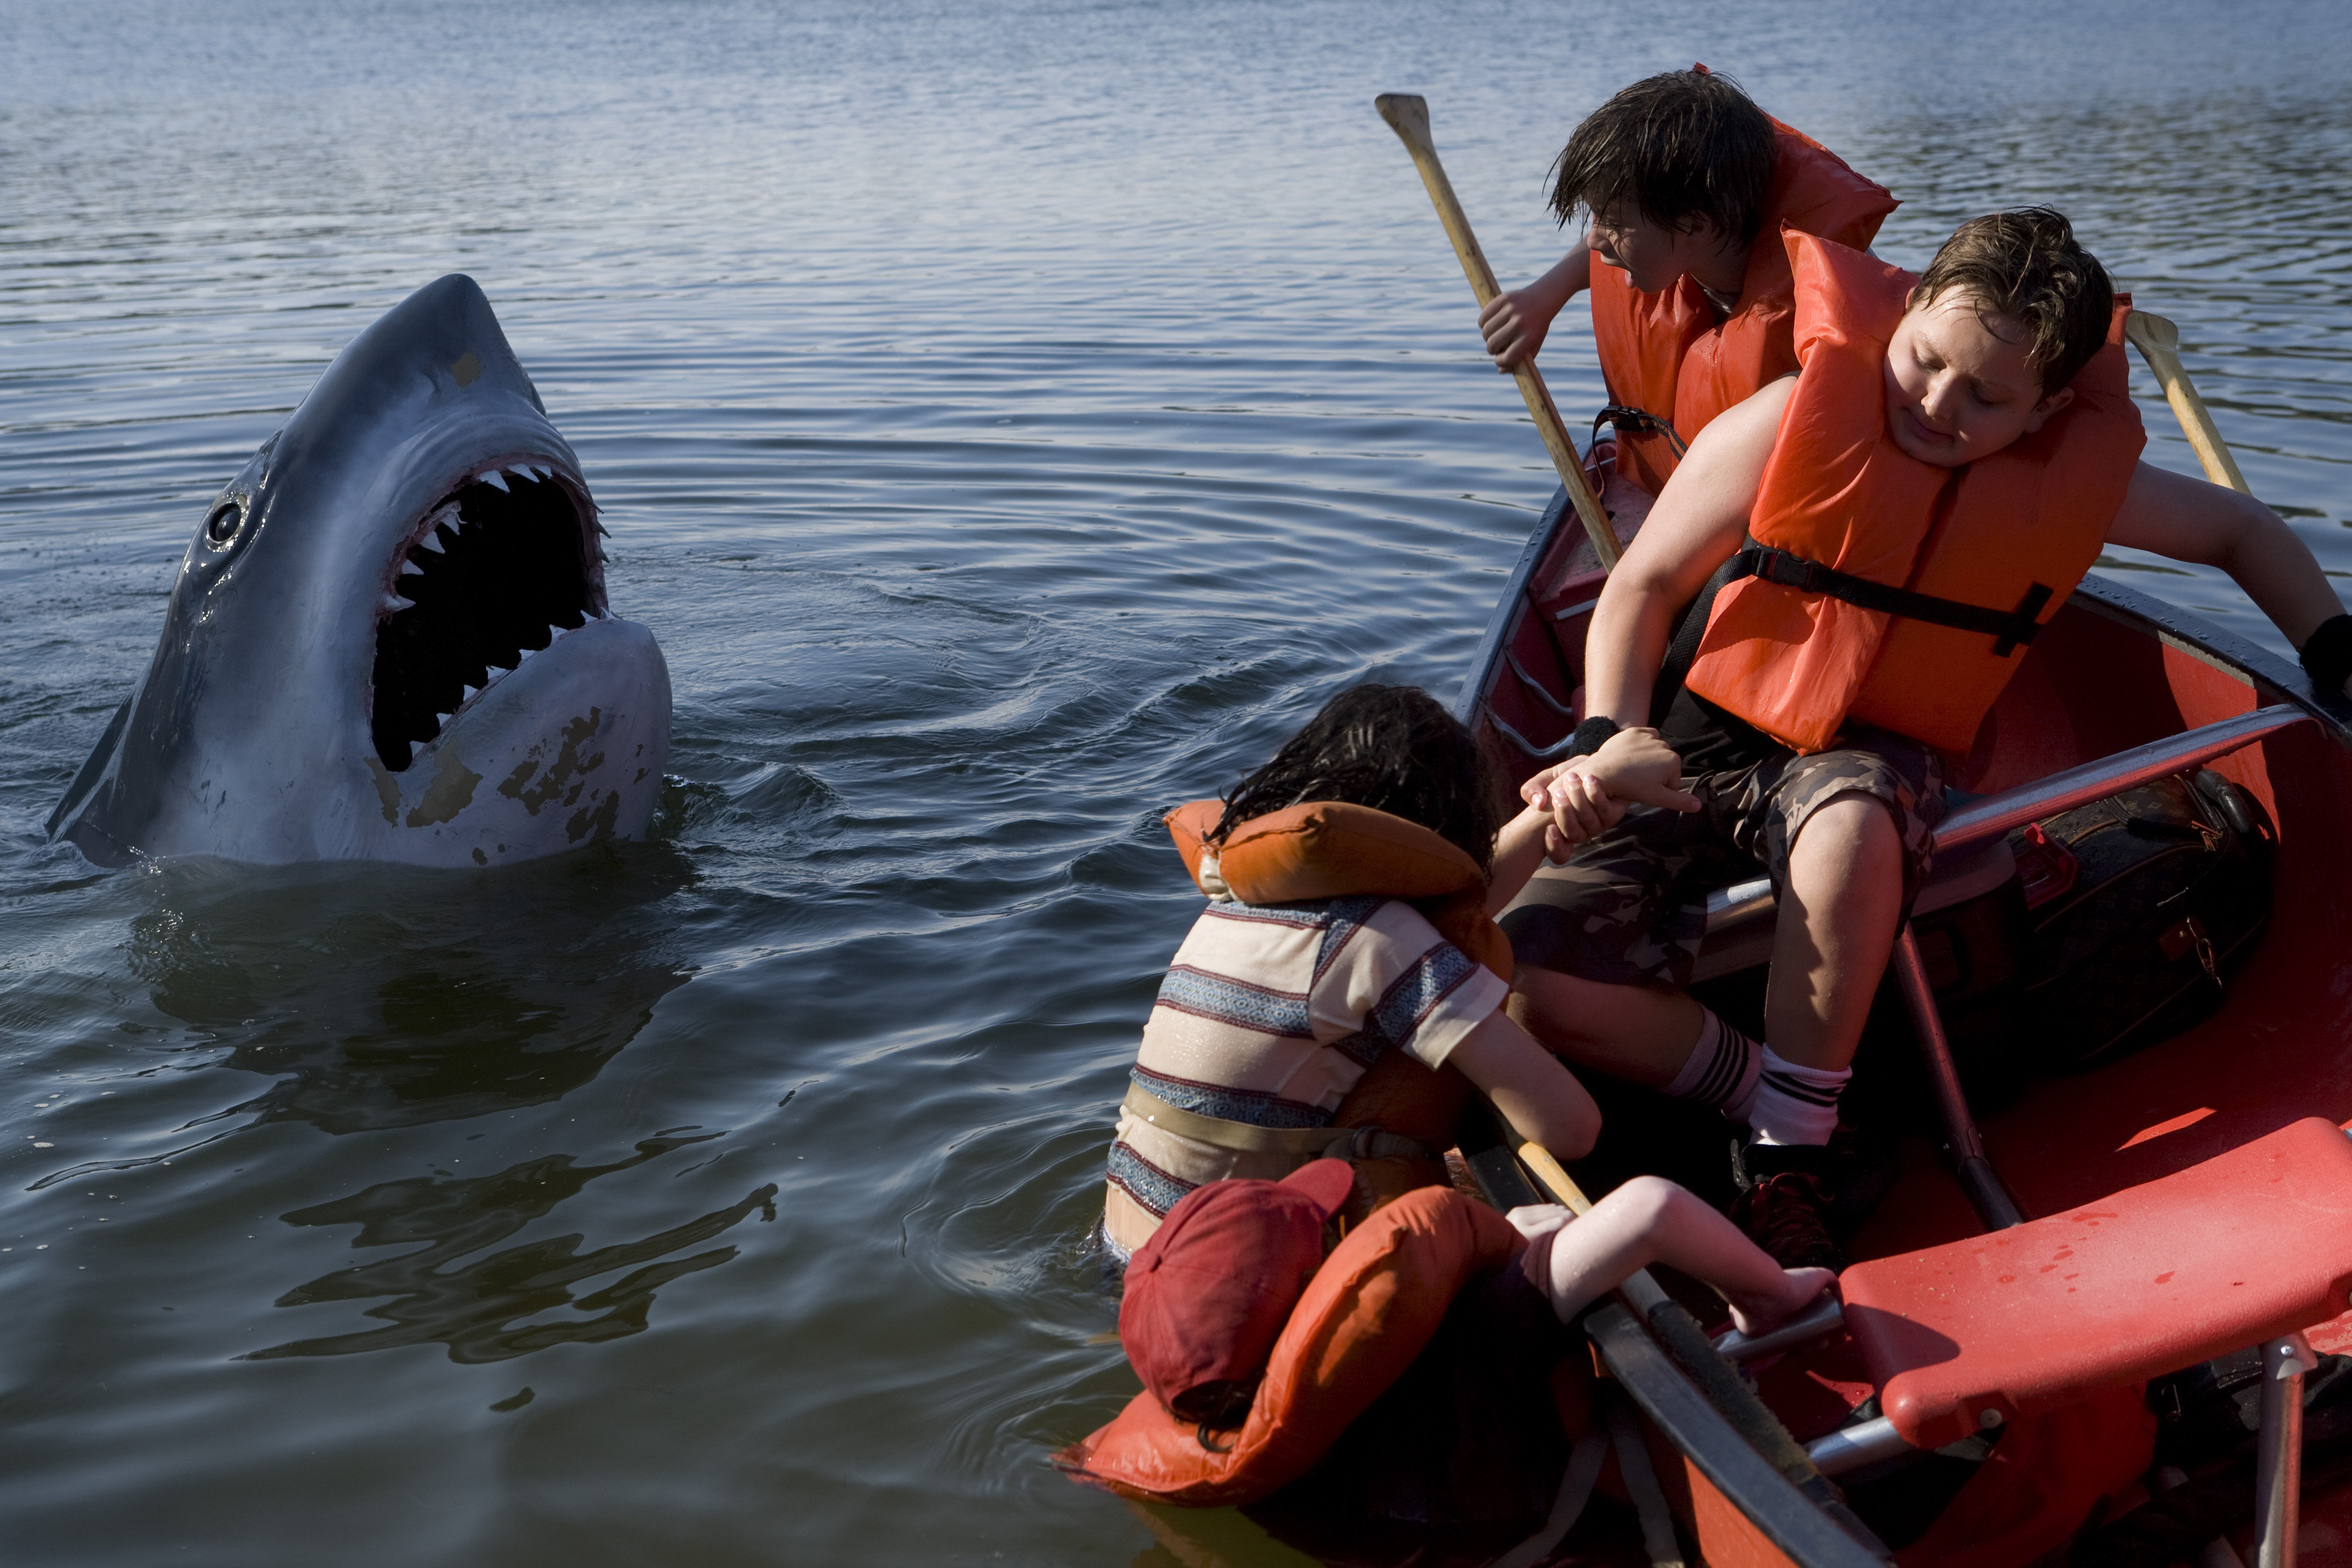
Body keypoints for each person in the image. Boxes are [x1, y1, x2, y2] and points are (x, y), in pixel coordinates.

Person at [1501, 207, 2352, 1270]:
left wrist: (2333, 650)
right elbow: (1642, 586)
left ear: (2045, 409)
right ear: (1900, 318)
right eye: (1922, 361)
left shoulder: (2064, 482)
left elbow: (2244, 529)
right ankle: (1764, 1084)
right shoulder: (1782, 423)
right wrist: (1603, 738)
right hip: (1689, 747)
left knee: (1850, 825)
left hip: (1866, 758)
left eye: (1986, 396)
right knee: (1513, 974)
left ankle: (1789, 1156)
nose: (1936, 405)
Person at [1098, 684, 1698, 1260]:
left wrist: (1567, 796)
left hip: (1128, 1254)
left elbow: (1453, 908)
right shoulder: (1379, 939)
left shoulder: (1230, 905)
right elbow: (1571, 1127)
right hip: (1244, 1288)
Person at [1478, 67, 1894, 519]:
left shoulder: (1838, 300)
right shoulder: (1683, 234)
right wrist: (1545, 296)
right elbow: (1608, 247)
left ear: (1695, 224)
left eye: (1612, 222)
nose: (1596, 240)